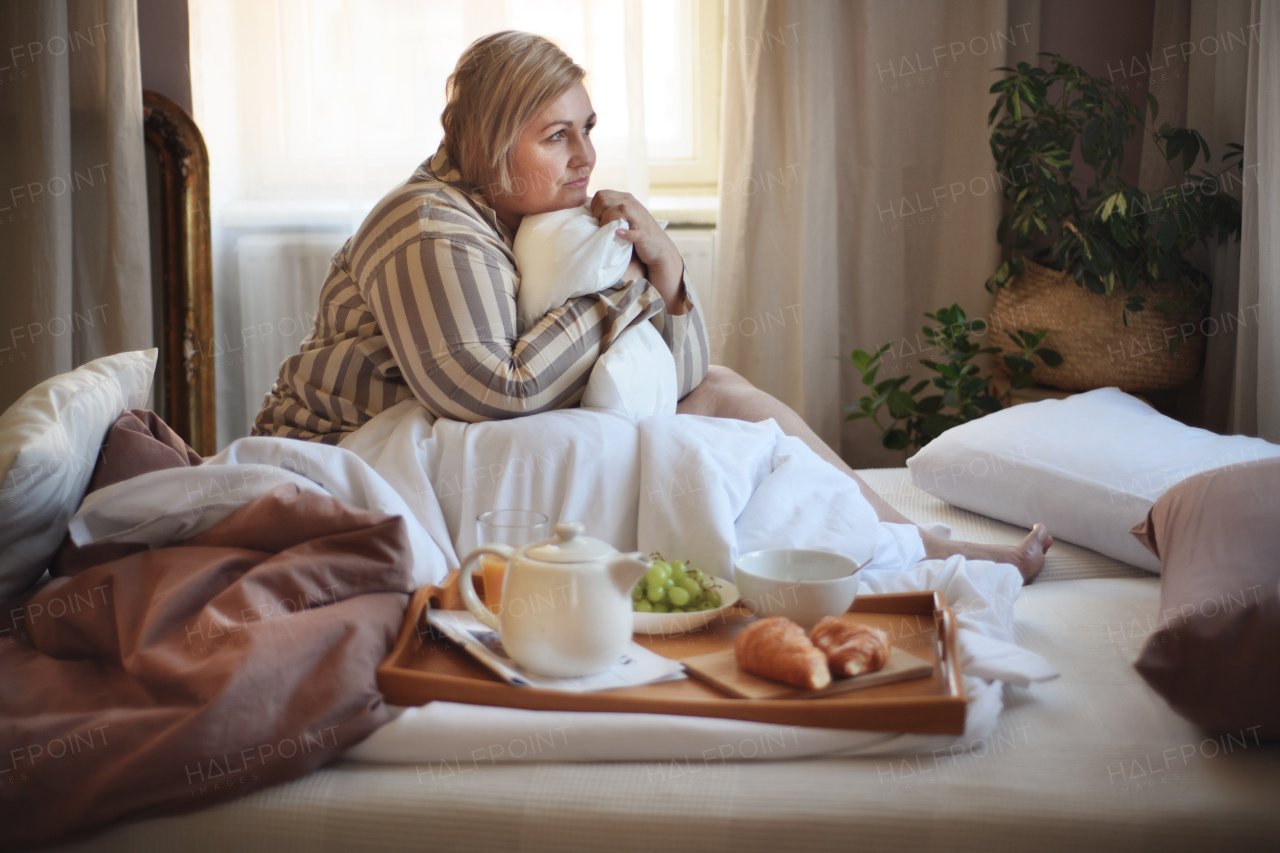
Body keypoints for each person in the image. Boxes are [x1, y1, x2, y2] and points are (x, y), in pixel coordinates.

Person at [253, 30, 1051, 582]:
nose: (587, 156)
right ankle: (813, 557)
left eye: (587, 130)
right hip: (351, 456)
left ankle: (910, 536)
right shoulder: (429, 223)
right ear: (491, 142)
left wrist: (668, 280)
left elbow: (681, 372)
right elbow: (494, 392)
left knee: (721, 390)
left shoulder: (534, 226)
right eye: (556, 135)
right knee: (687, 435)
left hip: (452, 430)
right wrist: (626, 289)